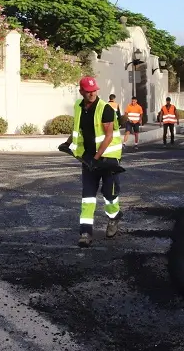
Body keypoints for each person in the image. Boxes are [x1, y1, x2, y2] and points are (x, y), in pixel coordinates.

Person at [58, 76, 123, 248]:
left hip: (107, 158)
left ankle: (114, 217)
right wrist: (67, 142)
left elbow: (108, 136)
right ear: (81, 92)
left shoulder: (106, 109)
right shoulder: (79, 107)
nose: (92, 93)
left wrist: (96, 159)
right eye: (88, 91)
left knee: (109, 194)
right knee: (88, 196)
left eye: (94, 90)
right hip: (88, 159)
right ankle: (85, 233)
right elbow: (77, 128)